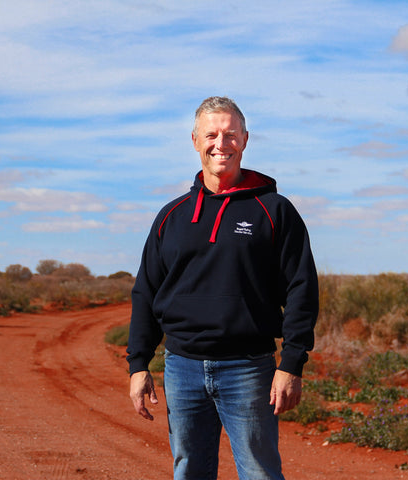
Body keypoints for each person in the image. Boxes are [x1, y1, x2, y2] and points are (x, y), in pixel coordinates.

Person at [127, 96, 319, 480]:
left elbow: (302, 289)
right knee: (190, 471)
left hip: (248, 369)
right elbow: (146, 291)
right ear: (195, 140)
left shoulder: (274, 210)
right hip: (182, 368)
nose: (221, 143)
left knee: (259, 472)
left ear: (245, 140)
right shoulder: (171, 216)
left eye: (230, 135)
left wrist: (291, 363)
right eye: (211, 134)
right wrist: (138, 364)